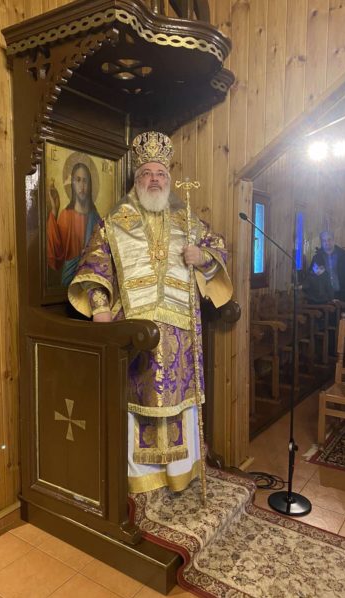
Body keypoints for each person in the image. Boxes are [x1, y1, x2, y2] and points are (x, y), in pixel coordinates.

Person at [68, 131, 232, 494]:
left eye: (160, 173)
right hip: (134, 332)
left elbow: (219, 251)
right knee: (136, 401)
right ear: (137, 179)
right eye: (146, 173)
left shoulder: (187, 219)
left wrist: (202, 257)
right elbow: (94, 268)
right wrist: (100, 312)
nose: (154, 179)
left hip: (181, 333)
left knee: (179, 403)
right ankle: (141, 479)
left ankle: (181, 472)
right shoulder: (114, 221)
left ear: (168, 178)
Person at [47, 162, 100, 286]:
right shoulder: (66, 215)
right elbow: (56, 253)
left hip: (90, 281)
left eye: (85, 181)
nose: (82, 185)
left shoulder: (95, 218)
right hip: (68, 281)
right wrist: (54, 211)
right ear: (73, 184)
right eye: (78, 180)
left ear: (90, 185)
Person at [309, 231, 345, 303]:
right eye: (324, 240)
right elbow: (311, 277)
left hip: (343, 295)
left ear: (334, 240)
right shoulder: (317, 258)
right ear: (321, 243)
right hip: (324, 298)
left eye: (329, 239)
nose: (327, 242)